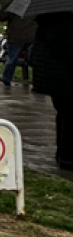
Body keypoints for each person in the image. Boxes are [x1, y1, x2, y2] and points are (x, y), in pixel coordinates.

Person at [28, 11, 73, 170]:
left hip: (53, 80)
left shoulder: (46, 23)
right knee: (69, 118)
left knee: (63, 115)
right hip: (66, 79)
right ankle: (67, 158)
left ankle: (62, 153)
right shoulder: (67, 25)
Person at [0, 0, 37, 88]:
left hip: (15, 36)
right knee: (33, 58)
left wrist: (7, 5)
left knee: (12, 58)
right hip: (31, 35)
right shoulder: (34, 4)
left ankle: (7, 77)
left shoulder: (13, 5)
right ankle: (36, 80)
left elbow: (1, 17)